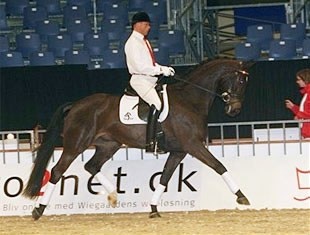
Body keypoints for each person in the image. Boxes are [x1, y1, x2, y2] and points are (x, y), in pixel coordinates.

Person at [124, 12, 175, 153]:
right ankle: (151, 143)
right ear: (138, 25)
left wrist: (163, 68)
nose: (149, 28)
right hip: (140, 80)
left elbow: (150, 63)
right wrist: (160, 70)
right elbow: (141, 67)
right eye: (146, 25)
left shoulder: (144, 41)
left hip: (150, 79)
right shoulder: (132, 43)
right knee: (157, 104)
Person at [285, 68, 310, 138]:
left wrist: (299, 115)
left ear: (306, 79)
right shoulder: (307, 93)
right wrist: (293, 107)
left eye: (299, 79)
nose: (297, 82)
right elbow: (306, 111)